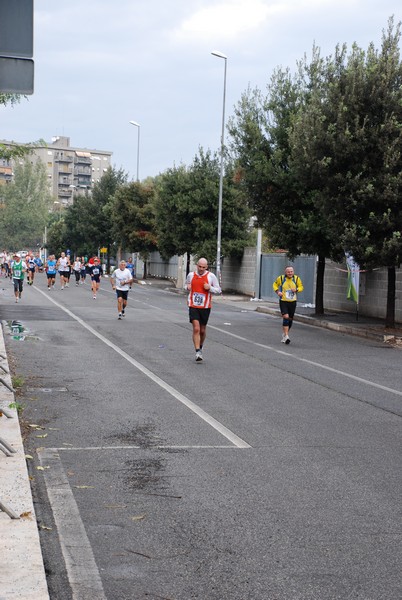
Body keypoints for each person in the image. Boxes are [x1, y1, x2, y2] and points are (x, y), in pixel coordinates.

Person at [185, 258, 221, 362]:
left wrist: (209, 288)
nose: (201, 269)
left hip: (205, 307)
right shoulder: (191, 275)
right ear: (197, 265)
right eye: (199, 266)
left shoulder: (211, 276)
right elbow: (187, 285)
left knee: (202, 330)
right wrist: (187, 287)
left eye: (203, 267)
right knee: (196, 328)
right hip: (193, 305)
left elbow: (218, 290)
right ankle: (197, 352)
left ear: (207, 267)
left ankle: (200, 346)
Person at [273, 265, 304, 344]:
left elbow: (301, 287)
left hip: (293, 302)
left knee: (290, 319)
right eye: (288, 272)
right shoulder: (281, 278)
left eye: (291, 272)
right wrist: (278, 292)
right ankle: (286, 336)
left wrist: (296, 289)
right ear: (285, 272)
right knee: (286, 317)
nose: (290, 273)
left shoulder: (296, 279)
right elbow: (275, 285)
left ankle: (285, 334)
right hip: (283, 301)